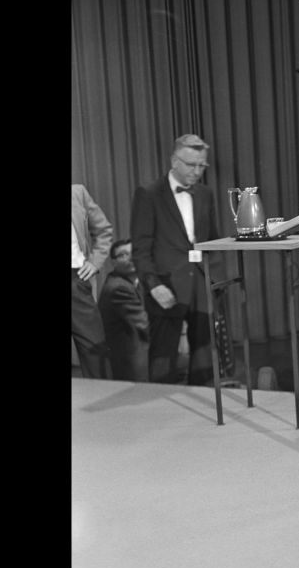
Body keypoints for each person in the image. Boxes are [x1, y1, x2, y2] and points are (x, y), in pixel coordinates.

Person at [130, 134, 223, 385]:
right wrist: (154, 285)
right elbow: (140, 248)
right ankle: (162, 413)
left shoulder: (205, 193)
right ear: (174, 161)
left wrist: (212, 276)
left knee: (204, 355)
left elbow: (211, 239)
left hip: (200, 285)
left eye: (202, 165)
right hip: (166, 285)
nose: (197, 171)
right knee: (163, 357)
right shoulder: (149, 194)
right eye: (191, 165)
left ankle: (204, 410)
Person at [72, 183, 114, 379]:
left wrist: (95, 262)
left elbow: (104, 230)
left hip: (77, 280)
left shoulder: (77, 193)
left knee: (94, 349)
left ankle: (101, 401)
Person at [98, 239, 150, 381]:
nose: (131, 257)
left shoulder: (133, 282)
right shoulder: (118, 288)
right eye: (123, 255)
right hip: (131, 364)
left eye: (133, 253)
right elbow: (144, 324)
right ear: (113, 262)